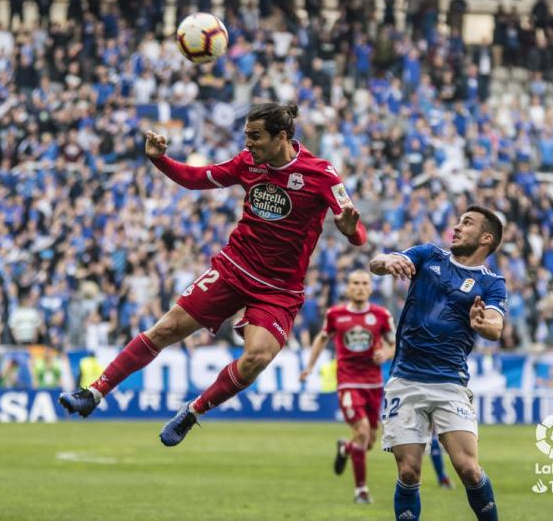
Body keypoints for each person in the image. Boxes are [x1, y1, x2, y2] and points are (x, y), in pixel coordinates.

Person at [59, 102, 367, 447]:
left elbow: (358, 234)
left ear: (281, 136)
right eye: (246, 136)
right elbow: (196, 179)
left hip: (279, 289)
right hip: (233, 267)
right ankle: (95, 393)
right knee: (168, 327)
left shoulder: (321, 173)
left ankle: (193, 411)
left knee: (257, 358)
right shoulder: (247, 163)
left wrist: (349, 230)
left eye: (255, 137)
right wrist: (160, 160)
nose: (248, 144)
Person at [370, 205, 506, 521]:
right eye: (458, 222)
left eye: (467, 223)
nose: (456, 227)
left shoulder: (492, 283)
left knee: (469, 470)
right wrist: (389, 259)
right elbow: (377, 263)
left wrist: (481, 322)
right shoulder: (430, 255)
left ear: (486, 238)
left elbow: (496, 328)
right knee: (408, 471)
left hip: (450, 384)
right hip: (406, 380)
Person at [299, 269, 396, 504]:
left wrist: (385, 353)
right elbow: (322, 339)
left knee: (369, 441)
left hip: (374, 384)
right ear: (348, 288)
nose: (361, 287)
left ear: (371, 288)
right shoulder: (336, 314)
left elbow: (393, 344)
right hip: (348, 382)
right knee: (362, 432)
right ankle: (361, 491)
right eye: (356, 283)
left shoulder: (381, 315)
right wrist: (310, 366)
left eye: (365, 283)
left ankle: (346, 448)